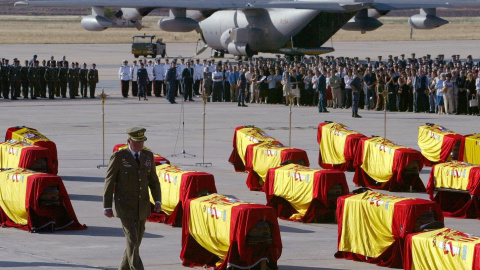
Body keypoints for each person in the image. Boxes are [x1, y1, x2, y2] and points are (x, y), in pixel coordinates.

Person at [103, 127, 162, 270]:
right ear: (129, 141)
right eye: (136, 142)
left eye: (142, 142)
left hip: (142, 206)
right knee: (133, 240)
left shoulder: (148, 156)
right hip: (125, 207)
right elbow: (109, 181)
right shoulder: (119, 157)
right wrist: (107, 206)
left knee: (135, 241)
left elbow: (153, 181)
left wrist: (158, 201)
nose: (140, 145)